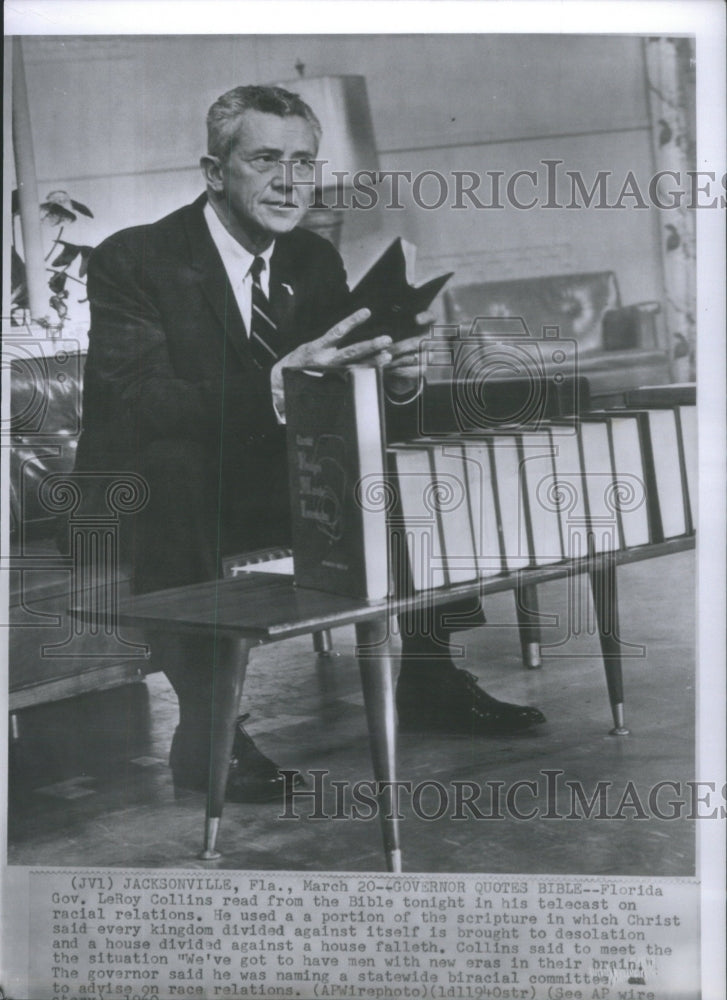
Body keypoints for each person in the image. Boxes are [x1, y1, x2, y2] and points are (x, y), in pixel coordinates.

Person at [75, 84, 544, 804]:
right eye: (265, 160)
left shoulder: (311, 259)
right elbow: (140, 403)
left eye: (303, 161)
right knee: (174, 466)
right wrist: (276, 383)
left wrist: (390, 378)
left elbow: (332, 384)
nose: (291, 181)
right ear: (213, 171)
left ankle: (428, 673)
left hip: (257, 476)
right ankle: (207, 729)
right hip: (145, 490)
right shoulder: (134, 258)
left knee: (394, 459)